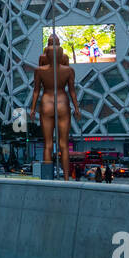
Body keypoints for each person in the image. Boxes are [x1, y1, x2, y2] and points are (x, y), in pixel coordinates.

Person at [28, 36, 82, 180]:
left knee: (48, 144)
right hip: (63, 103)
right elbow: (72, 91)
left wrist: (32, 109)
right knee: (64, 144)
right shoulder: (69, 70)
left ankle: (47, 178)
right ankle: (65, 178)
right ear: (61, 55)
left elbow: (36, 91)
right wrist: (76, 108)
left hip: (46, 103)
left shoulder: (39, 70)